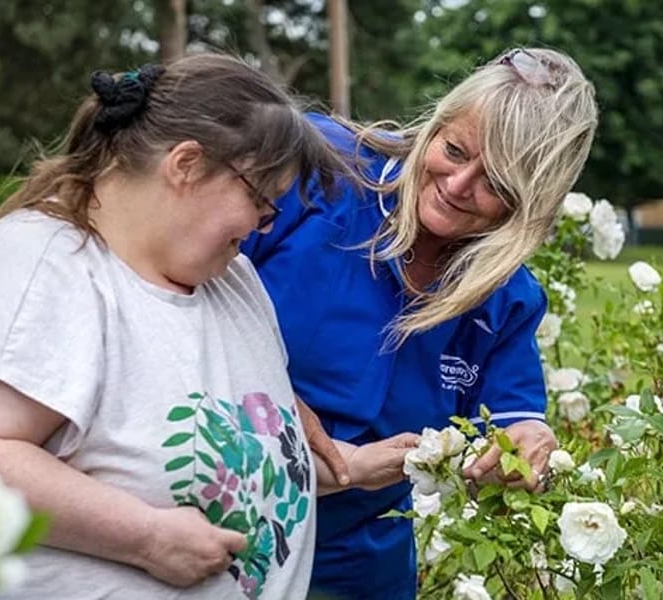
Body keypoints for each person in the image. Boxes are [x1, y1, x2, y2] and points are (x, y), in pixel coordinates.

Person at [0, 53, 409, 599]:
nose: (259, 226)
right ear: (185, 164)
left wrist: (357, 466)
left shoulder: (235, 282)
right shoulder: (43, 262)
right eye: (259, 201)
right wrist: (147, 538)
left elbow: (222, 466)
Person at [242, 47, 598, 599]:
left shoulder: (508, 299)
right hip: (217, 507)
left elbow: (513, 421)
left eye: (496, 183)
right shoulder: (319, 168)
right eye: (453, 150)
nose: (458, 185)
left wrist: (529, 444)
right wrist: (275, 399)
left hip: (357, 560)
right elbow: (180, 291)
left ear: (529, 206)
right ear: (436, 125)